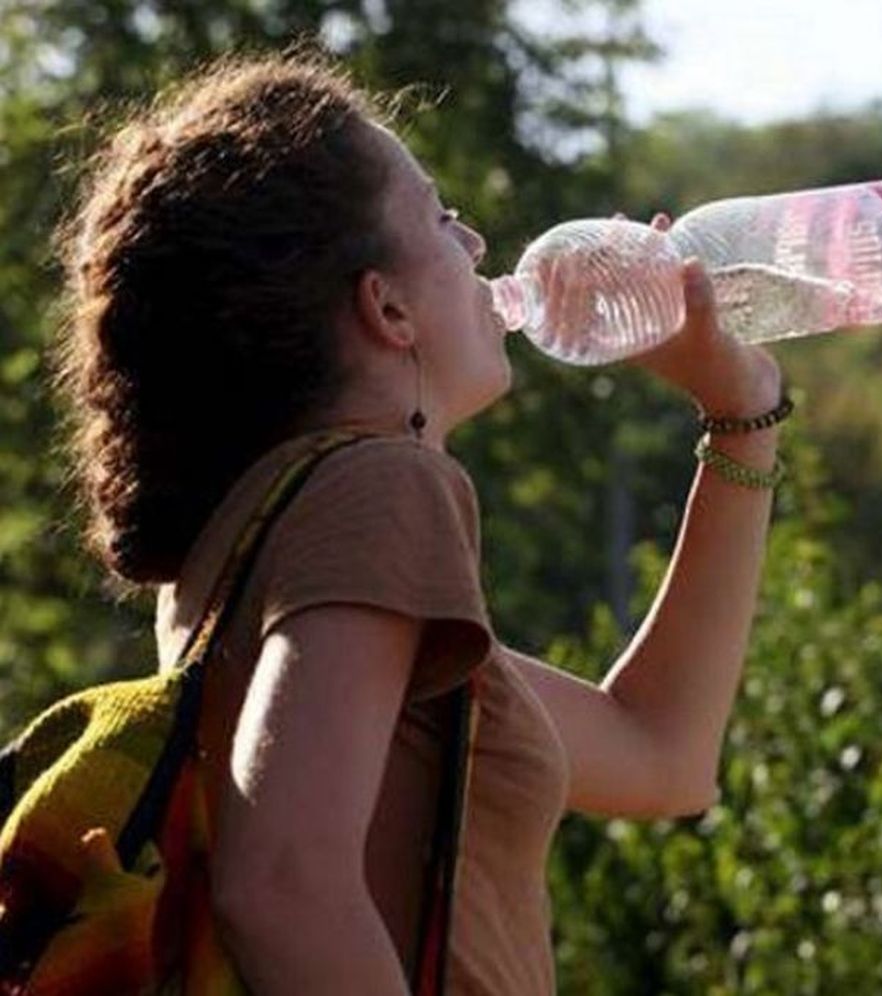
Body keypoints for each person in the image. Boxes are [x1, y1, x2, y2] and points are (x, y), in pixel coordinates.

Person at [46, 51, 784, 995]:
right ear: (386, 307)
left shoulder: (249, 553)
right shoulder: (385, 488)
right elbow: (280, 885)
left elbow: (661, 755)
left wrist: (742, 414)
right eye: (439, 217)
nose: (476, 243)